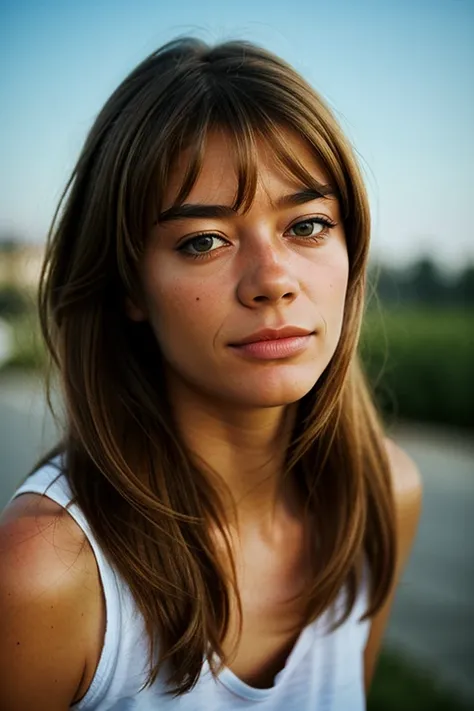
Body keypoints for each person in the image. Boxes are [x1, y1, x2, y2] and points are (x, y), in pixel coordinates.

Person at [0, 37, 422, 710]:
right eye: (204, 240)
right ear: (129, 285)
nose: (273, 279)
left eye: (308, 225)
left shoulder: (382, 495)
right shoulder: (45, 571)